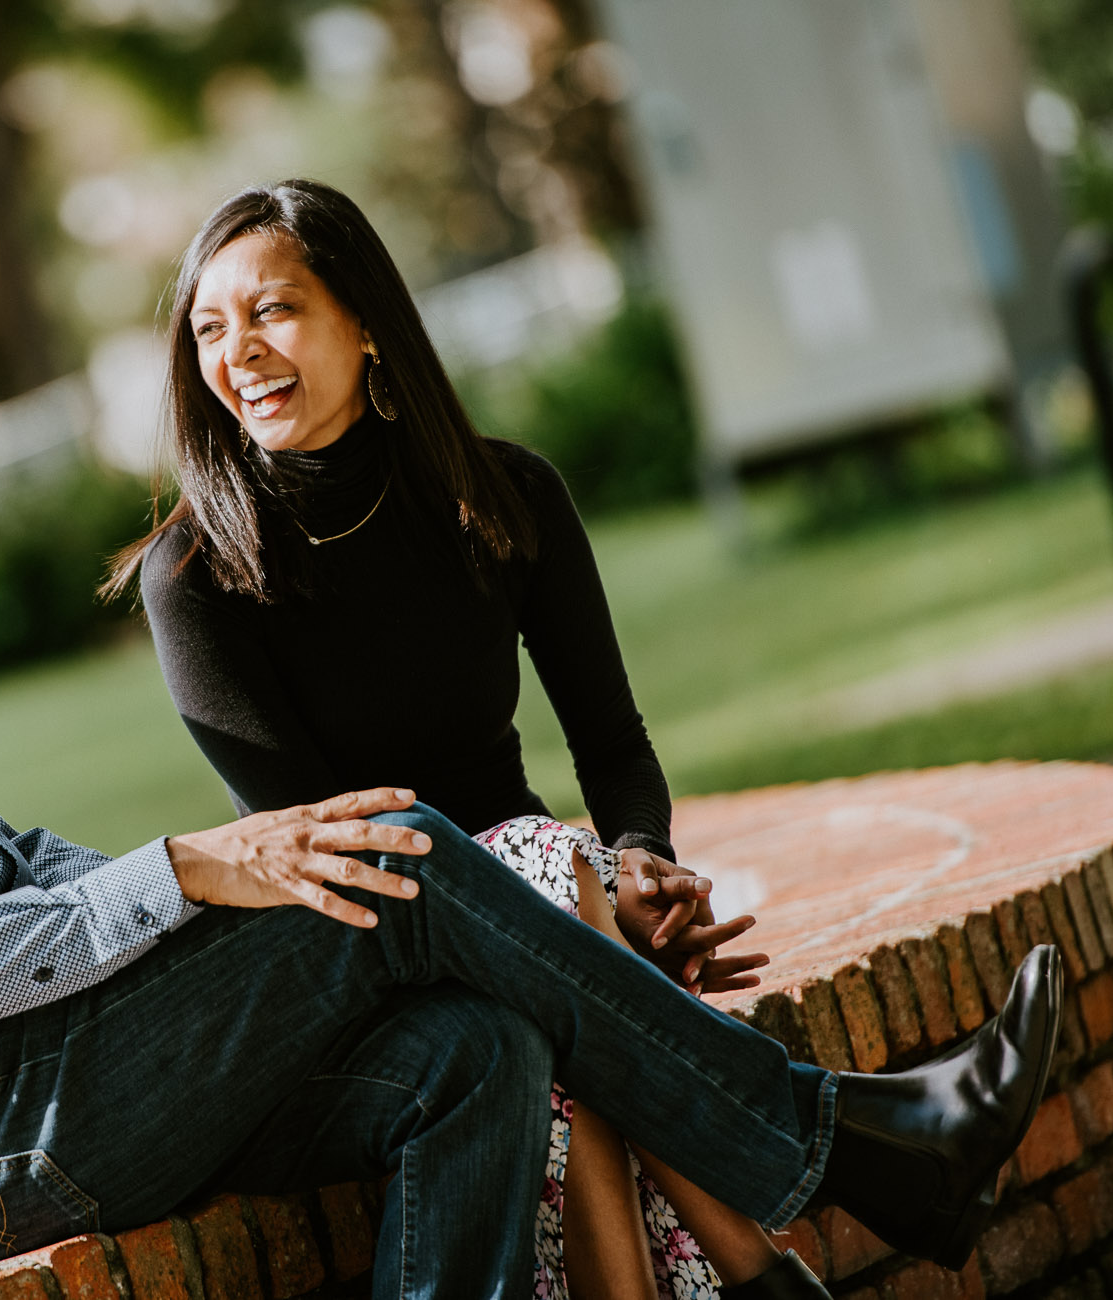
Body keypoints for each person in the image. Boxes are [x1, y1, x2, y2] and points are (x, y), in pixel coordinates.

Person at [0, 295, 1061, 1300]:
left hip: (34, 1068)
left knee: (464, 1056)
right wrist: (191, 872)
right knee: (398, 849)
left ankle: (864, 1151)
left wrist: (196, 879)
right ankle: (848, 1148)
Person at [113, 178, 783, 1295]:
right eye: (211, 329)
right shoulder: (194, 576)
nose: (240, 352)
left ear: (365, 318)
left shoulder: (507, 496)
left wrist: (635, 861)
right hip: (362, 945)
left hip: (547, 909)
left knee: (555, 927)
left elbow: (612, 744)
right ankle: (765, 1258)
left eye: (273, 310)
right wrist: (581, 927)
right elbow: (341, 842)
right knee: (540, 882)